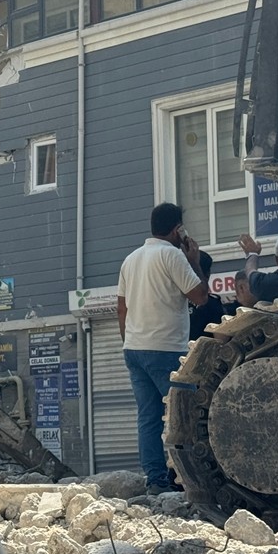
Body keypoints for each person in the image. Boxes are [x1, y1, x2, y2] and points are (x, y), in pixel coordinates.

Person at [117, 203, 208, 495]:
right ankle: (192, 479)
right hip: (166, 348)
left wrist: (129, 340)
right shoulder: (172, 255)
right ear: (178, 229)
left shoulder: (131, 259)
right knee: (184, 414)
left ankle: (156, 480)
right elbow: (200, 297)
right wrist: (194, 261)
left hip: (134, 348)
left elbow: (122, 308)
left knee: (148, 417)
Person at [189, 251, 227, 341]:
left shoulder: (173, 300)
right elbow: (221, 338)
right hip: (203, 349)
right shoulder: (213, 303)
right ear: (208, 274)